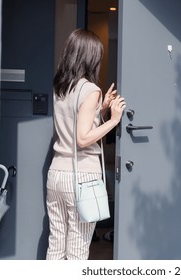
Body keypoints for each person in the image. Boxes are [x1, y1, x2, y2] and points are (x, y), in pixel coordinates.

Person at [46, 29, 125, 260]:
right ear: (91, 57)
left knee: (56, 245)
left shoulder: (61, 86)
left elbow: (74, 125)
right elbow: (82, 139)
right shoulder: (90, 90)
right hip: (81, 178)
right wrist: (114, 120)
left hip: (57, 174)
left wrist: (99, 110)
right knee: (78, 251)